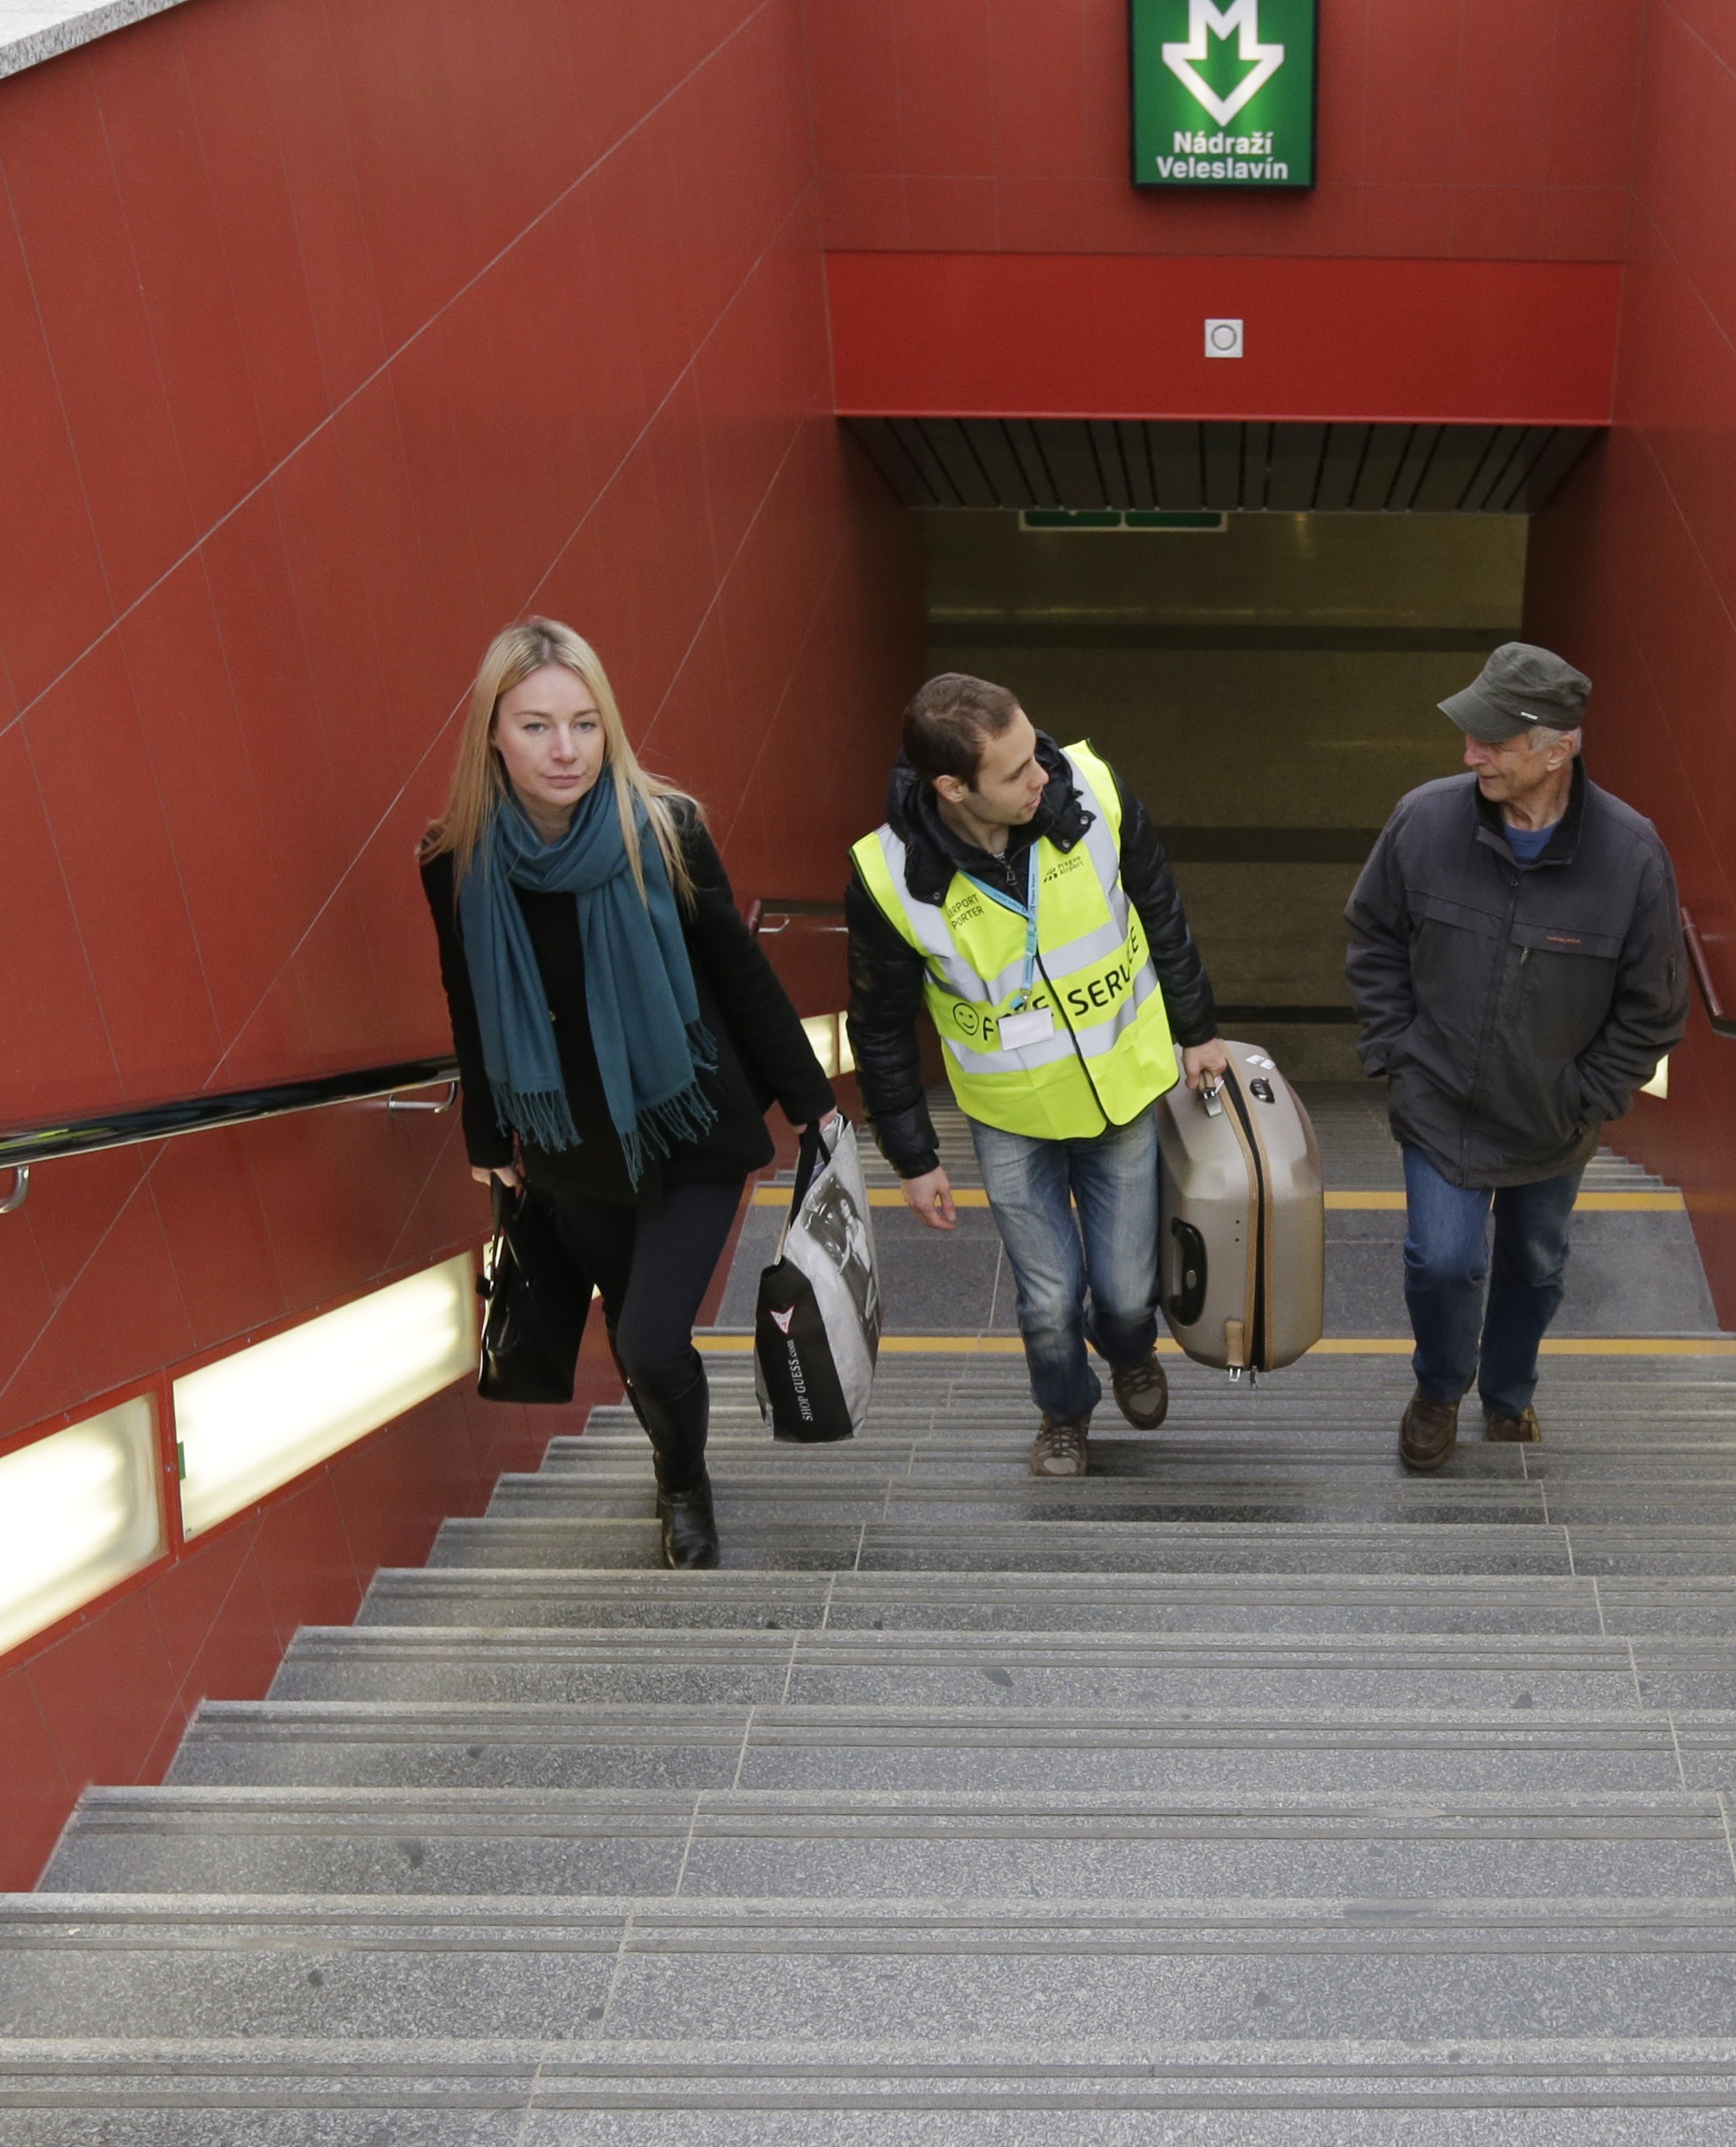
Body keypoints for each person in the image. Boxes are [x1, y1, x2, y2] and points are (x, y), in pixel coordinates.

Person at [417, 618, 833, 1569]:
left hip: (689, 1122)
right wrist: (488, 1132)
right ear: (492, 733)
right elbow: (469, 999)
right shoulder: (457, 863)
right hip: (572, 1146)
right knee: (624, 1324)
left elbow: (738, 971)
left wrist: (811, 1102)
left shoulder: (665, 828)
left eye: (584, 723)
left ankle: (687, 1488)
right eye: (534, 726)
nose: (565, 750)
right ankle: (672, 1461)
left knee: (651, 1340)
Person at [845, 673, 1236, 1477]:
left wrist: (1198, 1031)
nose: (1042, 779)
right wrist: (914, 1158)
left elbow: (1159, 904)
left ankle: (1130, 1352)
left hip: (1123, 1091)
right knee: (1051, 1303)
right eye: (1018, 772)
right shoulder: (889, 880)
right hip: (1011, 1113)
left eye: (1038, 753)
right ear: (953, 788)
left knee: (1127, 1295)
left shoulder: (1090, 789)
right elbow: (878, 1027)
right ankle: (1064, 1414)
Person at [1343, 641, 1687, 1471]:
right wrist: (1399, 1049)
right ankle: (1438, 1390)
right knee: (1443, 1262)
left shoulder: (1631, 856)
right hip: (1440, 1102)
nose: (1471, 755)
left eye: (1494, 741)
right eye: (1471, 736)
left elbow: (1655, 1004)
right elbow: (1375, 935)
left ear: (1558, 748)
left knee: (1535, 1267)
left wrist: (1586, 1093)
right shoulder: (1424, 820)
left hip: (1551, 1118)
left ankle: (1509, 1395)